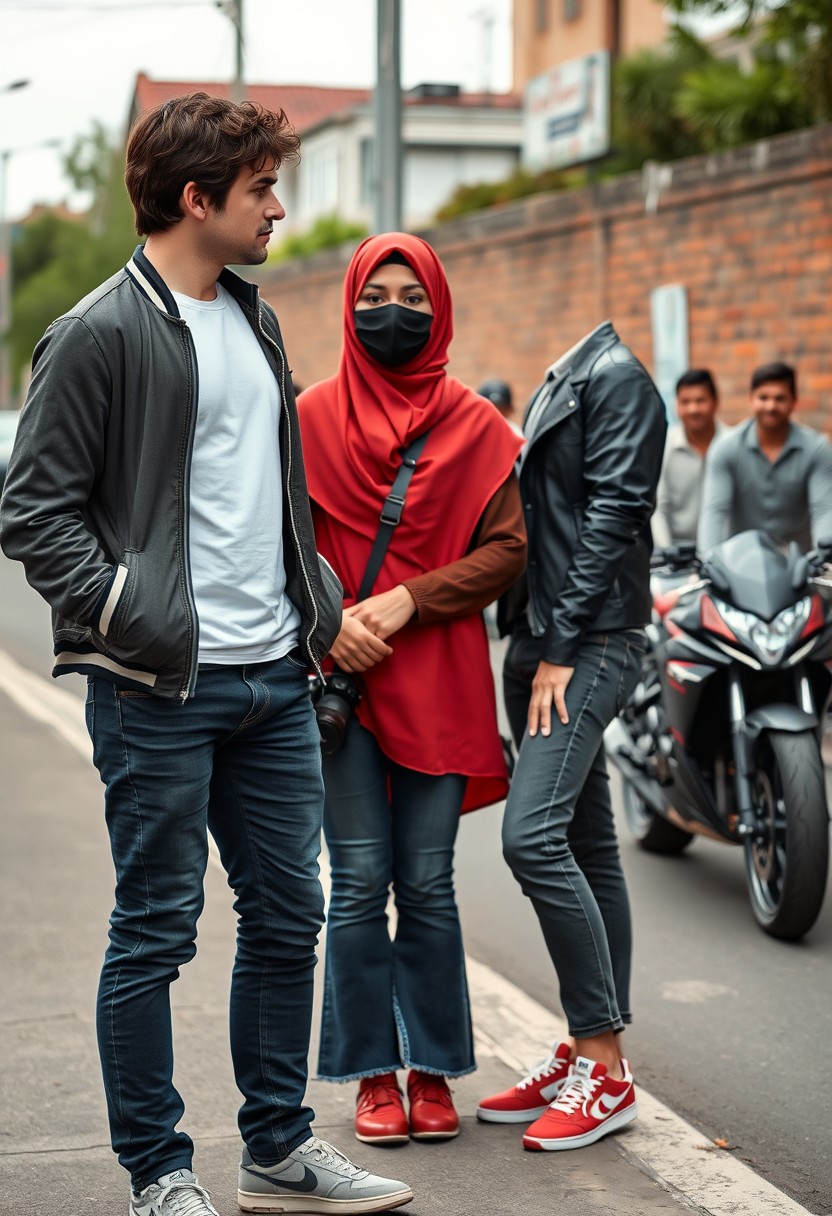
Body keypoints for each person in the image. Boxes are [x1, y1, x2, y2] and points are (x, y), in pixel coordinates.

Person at [0, 94, 413, 1216]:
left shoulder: (256, 319)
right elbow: (32, 513)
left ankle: (278, 1146)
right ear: (198, 199)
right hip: (158, 689)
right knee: (156, 927)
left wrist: (316, 608)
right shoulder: (98, 332)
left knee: (290, 913)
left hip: (275, 680)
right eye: (262, 188)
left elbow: (265, 498)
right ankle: (159, 1172)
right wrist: (128, 611)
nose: (279, 206)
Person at [298, 233, 526, 1145]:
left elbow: (507, 550)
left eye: (414, 296)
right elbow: (282, 539)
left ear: (440, 310)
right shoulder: (308, 416)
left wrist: (406, 600)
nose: (394, 311)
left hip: (439, 680)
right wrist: (335, 620)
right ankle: (370, 1077)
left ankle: (433, 1070)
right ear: (350, 303)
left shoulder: (477, 425)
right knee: (356, 884)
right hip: (339, 681)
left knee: (427, 884)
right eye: (377, 293)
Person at [478, 321, 666, 1151]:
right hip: (550, 641)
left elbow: (616, 514)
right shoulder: (571, 378)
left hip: (589, 641)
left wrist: (557, 647)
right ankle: (582, 1048)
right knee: (588, 844)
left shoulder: (614, 379)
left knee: (532, 838)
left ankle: (607, 1067)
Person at [698, 361, 832, 555]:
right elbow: (715, 511)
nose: (771, 405)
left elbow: (823, 511)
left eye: (780, 398)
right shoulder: (725, 448)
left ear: (794, 401)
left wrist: (824, 560)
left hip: (799, 568)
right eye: (763, 397)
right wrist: (709, 562)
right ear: (751, 399)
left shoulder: (816, 449)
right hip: (740, 564)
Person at [652, 368, 724, 549]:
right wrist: (667, 550)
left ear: (715, 402)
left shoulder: (731, 446)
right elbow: (658, 507)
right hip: (678, 556)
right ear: (676, 405)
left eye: (700, 401)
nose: (693, 409)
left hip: (728, 553)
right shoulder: (663, 446)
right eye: (685, 402)